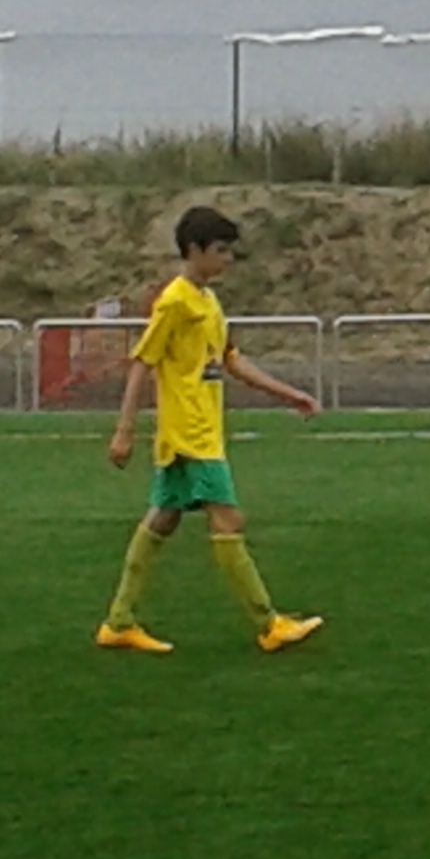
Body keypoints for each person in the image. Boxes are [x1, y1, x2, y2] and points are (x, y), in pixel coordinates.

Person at [96, 205, 325, 655]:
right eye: (221, 250)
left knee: (163, 517)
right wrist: (124, 430)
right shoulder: (175, 302)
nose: (228, 259)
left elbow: (231, 360)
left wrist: (288, 394)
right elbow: (143, 362)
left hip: (198, 431)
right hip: (191, 434)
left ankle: (118, 622)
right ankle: (269, 623)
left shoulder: (208, 301)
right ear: (194, 250)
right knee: (228, 519)